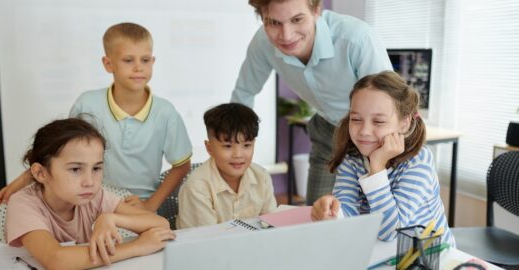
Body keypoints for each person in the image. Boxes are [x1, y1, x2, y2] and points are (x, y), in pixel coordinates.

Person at [0, 22, 192, 214]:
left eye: (145, 60)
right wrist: (20, 182)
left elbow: (182, 165)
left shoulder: (165, 112)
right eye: (128, 60)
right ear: (108, 64)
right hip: (92, 203)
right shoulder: (88, 104)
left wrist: (150, 204)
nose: (138, 68)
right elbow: (60, 152)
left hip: (137, 206)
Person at [230, 0, 392, 205]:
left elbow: (389, 102)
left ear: (316, 10)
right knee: (317, 214)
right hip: (327, 132)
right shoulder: (263, 43)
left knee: (373, 218)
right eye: (273, 22)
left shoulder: (356, 39)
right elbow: (244, 93)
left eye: (297, 19)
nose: (286, 35)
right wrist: (231, 147)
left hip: (373, 137)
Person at [6, 118, 175, 269]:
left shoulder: (94, 196)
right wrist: (137, 247)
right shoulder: (23, 203)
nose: (90, 181)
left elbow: (160, 225)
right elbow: (56, 260)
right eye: (75, 169)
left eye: (96, 168)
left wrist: (111, 218)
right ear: (40, 173)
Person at [310, 71, 455, 245]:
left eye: (378, 122)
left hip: (428, 257)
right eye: (356, 119)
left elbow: (390, 231)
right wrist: (333, 212)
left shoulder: (418, 161)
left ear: (404, 123)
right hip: (381, 252)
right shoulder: (353, 158)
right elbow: (349, 211)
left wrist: (377, 167)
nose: (364, 131)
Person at [177, 103, 277, 229]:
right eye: (228, 146)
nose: (238, 155)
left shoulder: (261, 177)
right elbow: (205, 242)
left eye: (246, 145)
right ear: (209, 148)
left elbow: (272, 226)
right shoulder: (197, 187)